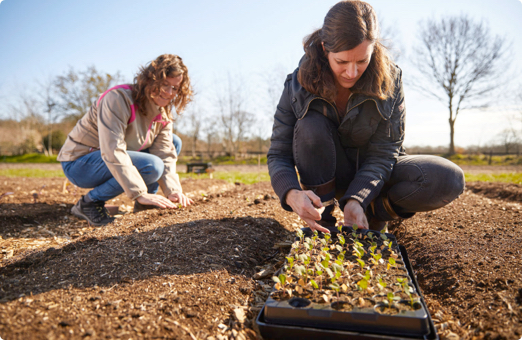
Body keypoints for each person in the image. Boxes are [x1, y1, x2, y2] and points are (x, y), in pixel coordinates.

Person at [267, 1, 465, 233]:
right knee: (310, 127)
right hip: (327, 176)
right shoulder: (296, 85)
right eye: (341, 62)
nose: (352, 73)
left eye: (362, 61)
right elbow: (279, 153)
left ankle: (374, 211)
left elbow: (385, 151)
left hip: (374, 176)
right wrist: (291, 194)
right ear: (324, 48)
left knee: (447, 179)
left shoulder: (390, 80)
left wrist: (358, 197)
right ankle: (323, 219)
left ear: (373, 49)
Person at [58, 54, 194, 226]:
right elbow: (112, 148)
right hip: (80, 162)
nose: (169, 93)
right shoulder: (118, 99)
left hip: (108, 157)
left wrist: (173, 191)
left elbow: (165, 152)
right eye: (164, 85)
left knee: (174, 142)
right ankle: (90, 202)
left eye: (175, 88)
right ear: (150, 80)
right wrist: (138, 192)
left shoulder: (163, 111)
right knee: (152, 165)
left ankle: (144, 206)